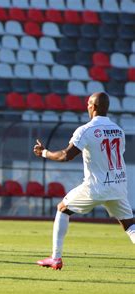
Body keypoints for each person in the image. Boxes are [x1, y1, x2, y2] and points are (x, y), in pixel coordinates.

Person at [33, 92, 135, 270]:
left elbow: (66, 155)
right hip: (118, 185)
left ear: (93, 107)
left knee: (62, 209)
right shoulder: (119, 130)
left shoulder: (86, 130)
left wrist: (44, 153)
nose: (87, 107)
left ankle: (55, 258)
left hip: (96, 186)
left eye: (88, 104)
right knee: (129, 226)